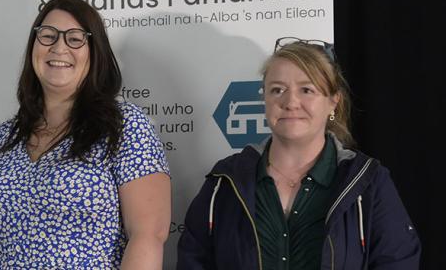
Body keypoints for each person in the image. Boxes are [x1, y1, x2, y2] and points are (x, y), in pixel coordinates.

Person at [0, 0, 171, 270]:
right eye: (47, 36)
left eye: (75, 38)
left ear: (95, 52)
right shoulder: (3, 137)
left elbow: (149, 234)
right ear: (33, 47)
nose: (59, 48)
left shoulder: (125, 126)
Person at [176, 39, 421, 269]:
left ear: (333, 101)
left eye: (306, 90)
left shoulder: (369, 183)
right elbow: (193, 261)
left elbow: (397, 261)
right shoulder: (224, 183)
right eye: (277, 90)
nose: (291, 102)